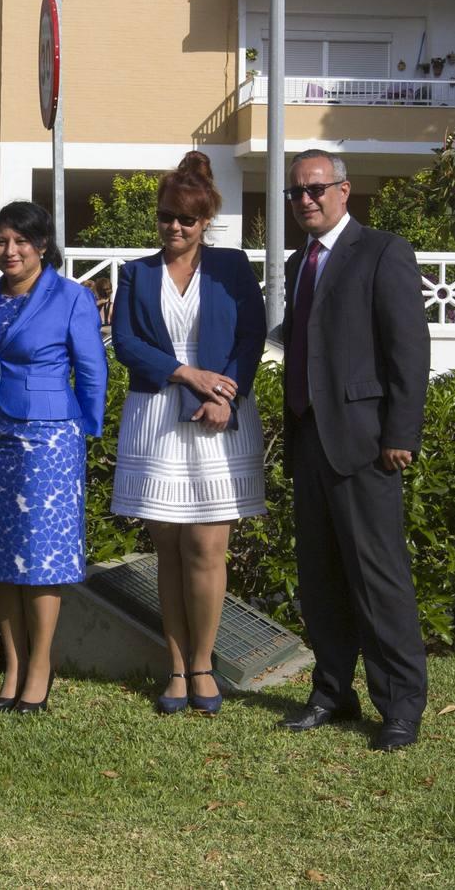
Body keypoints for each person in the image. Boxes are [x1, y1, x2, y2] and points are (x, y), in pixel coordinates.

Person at [279, 149, 431, 751]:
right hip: (310, 440)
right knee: (320, 579)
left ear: (345, 190)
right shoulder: (299, 263)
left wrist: (401, 434)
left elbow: (408, 350)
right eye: (297, 193)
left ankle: (399, 707)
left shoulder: (383, 252)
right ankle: (333, 691)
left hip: (366, 445)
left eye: (317, 189)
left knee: (378, 577)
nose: (307, 200)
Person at [109, 151, 267, 716]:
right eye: (166, 217)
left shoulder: (232, 266)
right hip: (156, 415)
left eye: (187, 219)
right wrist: (186, 373)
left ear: (206, 223)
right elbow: (125, 342)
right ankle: (175, 667)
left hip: (220, 418)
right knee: (170, 548)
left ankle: (204, 664)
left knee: (207, 546)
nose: (174, 227)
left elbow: (252, 335)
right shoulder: (136, 273)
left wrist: (224, 394)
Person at [0, 201, 108, 714]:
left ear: (42, 245)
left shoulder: (72, 297)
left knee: (42, 558)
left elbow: (92, 370)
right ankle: (12, 668)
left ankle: (40, 670)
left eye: (22, 241)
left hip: (49, 439)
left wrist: (83, 430)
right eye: (2, 240)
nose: (10, 250)